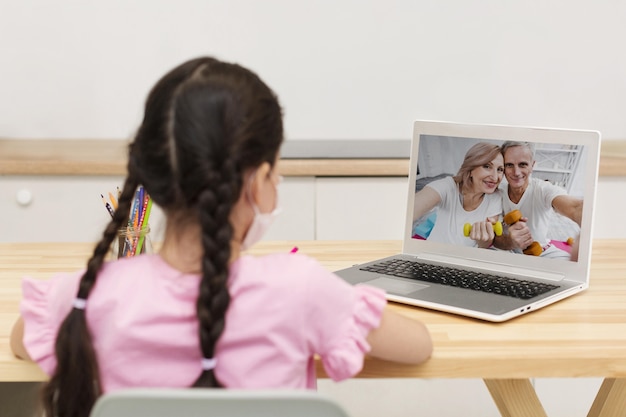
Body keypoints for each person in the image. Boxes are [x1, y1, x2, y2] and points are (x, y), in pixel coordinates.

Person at [10, 57, 432, 417]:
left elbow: (21, 338)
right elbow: (418, 345)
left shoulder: (90, 296)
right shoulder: (301, 289)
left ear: (151, 174)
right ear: (262, 180)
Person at [494, 141, 583, 259]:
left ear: (532, 165)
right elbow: (495, 239)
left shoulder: (543, 189)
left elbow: (575, 208)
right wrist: (512, 242)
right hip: (508, 250)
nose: (516, 172)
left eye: (523, 164)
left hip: (541, 251)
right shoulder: (498, 192)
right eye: (509, 165)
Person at [412, 142, 504, 248]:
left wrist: (482, 239)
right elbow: (410, 210)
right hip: (432, 254)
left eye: (500, 169)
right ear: (471, 169)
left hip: (462, 260)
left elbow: (484, 245)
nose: (495, 177)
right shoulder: (447, 186)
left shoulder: (496, 197)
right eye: (487, 166)